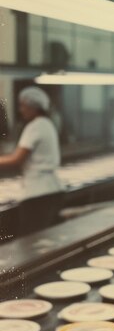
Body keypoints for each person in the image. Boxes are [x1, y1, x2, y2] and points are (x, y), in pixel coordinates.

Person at [0, 87, 63, 235]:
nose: (21, 110)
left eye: (23, 106)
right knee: (44, 238)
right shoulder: (47, 123)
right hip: (52, 188)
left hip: (38, 193)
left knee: (32, 240)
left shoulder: (35, 126)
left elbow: (17, 159)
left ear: (33, 106)